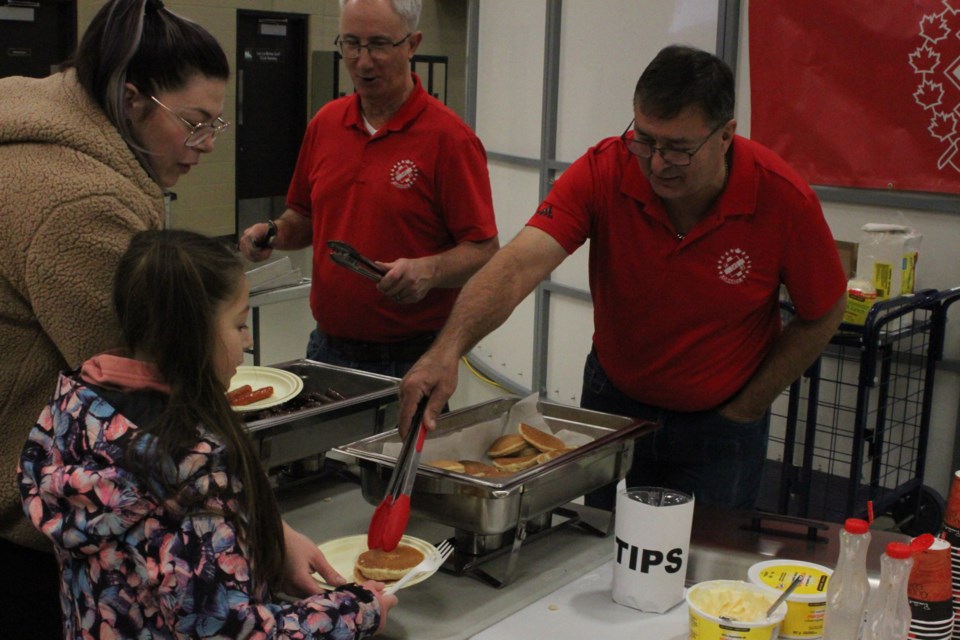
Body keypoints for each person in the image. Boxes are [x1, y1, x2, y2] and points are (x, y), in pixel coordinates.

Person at [398, 44, 847, 511]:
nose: (655, 163)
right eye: (645, 139)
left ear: (726, 135)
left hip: (719, 427)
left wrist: (750, 404)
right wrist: (446, 352)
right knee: (596, 551)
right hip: (614, 405)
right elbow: (517, 265)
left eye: (677, 149)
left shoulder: (782, 199)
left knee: (700, 566)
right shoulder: (606, 168)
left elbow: (825, 309)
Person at [18, 229, 397, 638]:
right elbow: (229, 630)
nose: (248, 341)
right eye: (239, 325)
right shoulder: (193, 469)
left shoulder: (76, 406)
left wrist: (267, 538)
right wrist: (356, 611)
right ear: (193, 333)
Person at [0, 0, 230, 635]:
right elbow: (139, 391)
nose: (205, 146)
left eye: (217, 125)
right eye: (195, 123)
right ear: (133, 101)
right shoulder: (80, 203)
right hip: (34, 524)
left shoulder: (39, 113)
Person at [239, 0, 498, 379]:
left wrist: (429, 270)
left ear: (413, 44)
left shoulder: (449, 139)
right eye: (350, 43)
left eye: (378, 44)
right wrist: (274, 233)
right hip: (326, 347)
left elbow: (483, 249)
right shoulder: (325, 125)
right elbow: (305, 217)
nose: (362, 61)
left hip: (413, 358)